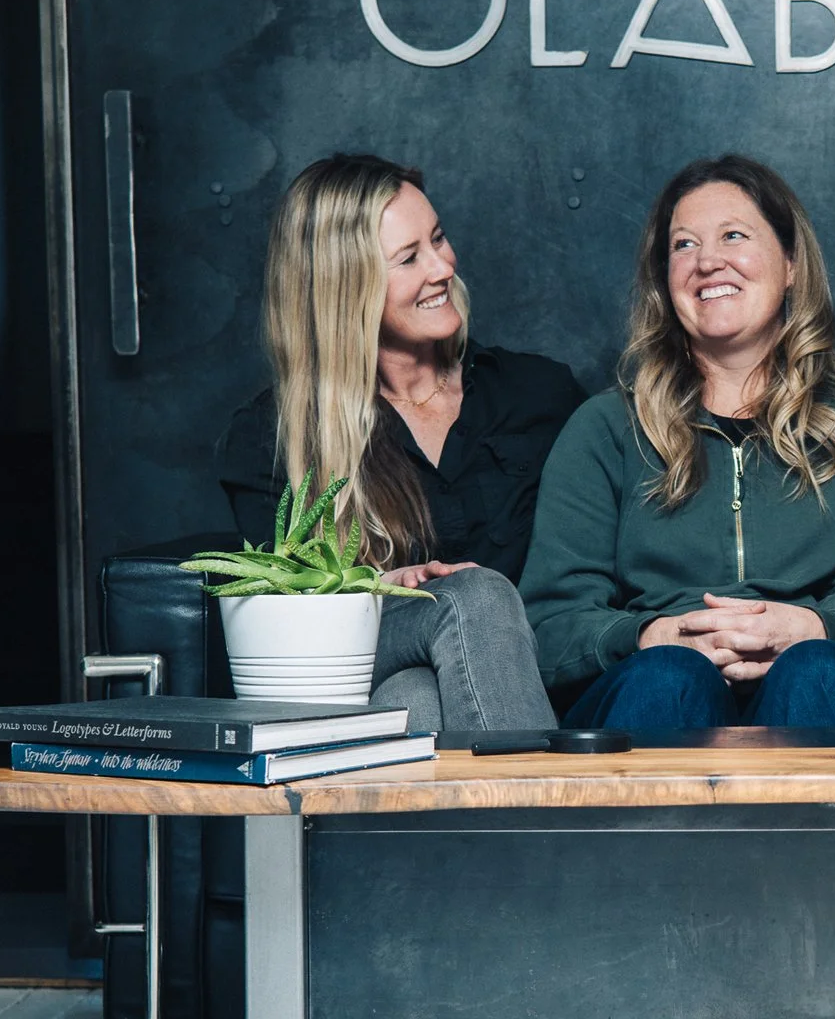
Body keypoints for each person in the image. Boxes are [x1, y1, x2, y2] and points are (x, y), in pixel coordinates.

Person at [520, 154, 835, 729]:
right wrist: (653, 637)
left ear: (791, 264)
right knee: (670, 676)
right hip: (655, 697)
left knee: (818, 669)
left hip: (813, 693)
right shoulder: (604, 429)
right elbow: (554, 627)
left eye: (734, 235)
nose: (707, 261)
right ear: (664, 281)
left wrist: (809, 628)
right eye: (684, 245)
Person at [214, 153, 574, 735]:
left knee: (413, 697)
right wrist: (375, 586)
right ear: (344, 289)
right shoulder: (272, 437)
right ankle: (534, 797)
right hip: (361, 650)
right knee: (472, 595)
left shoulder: (538, 392)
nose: (443, 266)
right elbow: (288, 619)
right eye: (409, 258)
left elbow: (586, 572)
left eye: (439, 238)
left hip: (523, 670)